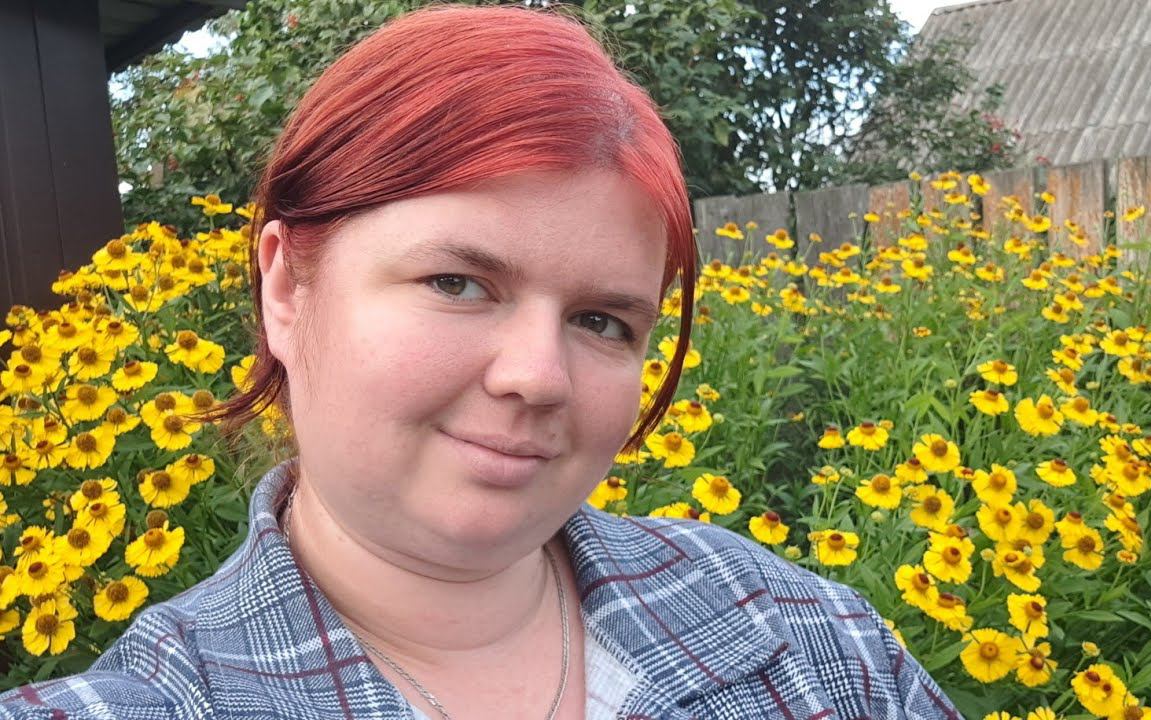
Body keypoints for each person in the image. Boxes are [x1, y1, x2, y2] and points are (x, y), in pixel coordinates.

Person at [0, 4, 959, 719]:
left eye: (602, 321)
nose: (537, 377)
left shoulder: (811, 641)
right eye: (457, 282)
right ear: (287, 288)